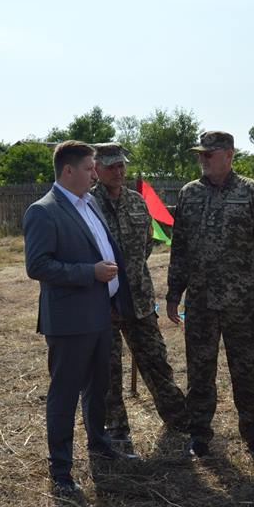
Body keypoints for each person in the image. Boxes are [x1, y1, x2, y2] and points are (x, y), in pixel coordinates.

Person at [23, 140, 138, 494]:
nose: (95, 174)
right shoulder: (43, 211)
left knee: (97, 387)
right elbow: (38, 266)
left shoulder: (89, 204)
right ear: (68, 171)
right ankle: (60, 469)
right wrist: (90, 272)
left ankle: (98, 442)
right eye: (90, 168)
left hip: (101, 315)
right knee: (65, 394)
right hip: (70, 321)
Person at [166, 130, 254, 457]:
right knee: (200, 370)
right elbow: (180, 247)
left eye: (208, 154)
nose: (202, 159)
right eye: (200, 154)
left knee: (247, 369)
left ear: (228, 155)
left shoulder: (252, 192)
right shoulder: (189, 194)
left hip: (242, 303)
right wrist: (175, 292)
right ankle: (199, 433)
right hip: (200, 302)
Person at [90, 143, 188, 449]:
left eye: (121, 166)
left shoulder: (136, 201)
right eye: (111, 167)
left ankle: (179, 419)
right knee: (107, 369)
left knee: (156, 360)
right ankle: (116, 427)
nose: (118, 172)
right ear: (96, 169)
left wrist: (131, 271)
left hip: (140, 299)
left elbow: (146, 243)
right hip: (101, 303)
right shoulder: (86, 204)